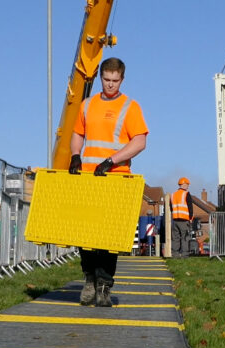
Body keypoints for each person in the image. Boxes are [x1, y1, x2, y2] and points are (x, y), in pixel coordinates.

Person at [68, 57, 149, 307]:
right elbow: (77, 134)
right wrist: (74, 156)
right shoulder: (87, 105)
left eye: (115, 81)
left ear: (122, 79)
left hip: (114, 179)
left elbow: (139, 141)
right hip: (89, 179)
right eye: (106, 80)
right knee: (86, 235)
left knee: (108, 238)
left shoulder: (130, 107)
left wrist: (111, 161)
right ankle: (90, 279)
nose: (110, 85)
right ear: (101, 78)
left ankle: (104, 286)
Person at [170, 177, 193, 257]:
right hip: (184, 220)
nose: (188, 186)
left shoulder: (173, 195)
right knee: (185, 238)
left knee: (175, 238)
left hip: (175, 220)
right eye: (187, 184)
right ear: (183, 184)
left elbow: (170, 208)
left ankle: (175, 254)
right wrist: (190, 218)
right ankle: (184, 254)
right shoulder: (186, 194)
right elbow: (190, 207)